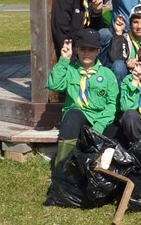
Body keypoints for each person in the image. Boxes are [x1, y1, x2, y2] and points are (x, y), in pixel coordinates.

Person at [46, 28, 119, 167]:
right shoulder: (70, 70)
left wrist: (99, 125)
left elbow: (112, 105)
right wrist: (64, 60)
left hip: (99, 119)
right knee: (73, 114)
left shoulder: (107, 74)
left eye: (91, 50)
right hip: (77, 120)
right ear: (76, 50)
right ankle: (62, 167)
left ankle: (95, 167)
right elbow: (53, 85)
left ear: (98, 51)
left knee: (117, 131)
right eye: (83, 49)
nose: (87, 53)